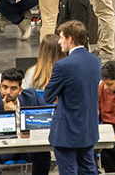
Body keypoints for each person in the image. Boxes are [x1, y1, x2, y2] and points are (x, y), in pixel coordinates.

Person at [44, 19, 103, 175]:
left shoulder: (63, 65)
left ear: (70, 39)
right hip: (88, 129)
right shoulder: (96, 61)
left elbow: (48, 96)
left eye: (61, 38)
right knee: (89, 169)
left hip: (66, 132)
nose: (59, 42)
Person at [0, 68, 50, 175]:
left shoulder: (32, 97)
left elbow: (48, 115)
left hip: (28, 145)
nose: (8, 92)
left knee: (43, 154)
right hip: (3, 149)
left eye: (13, 88)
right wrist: (7, 115)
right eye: (5, 87)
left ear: (20, 90)